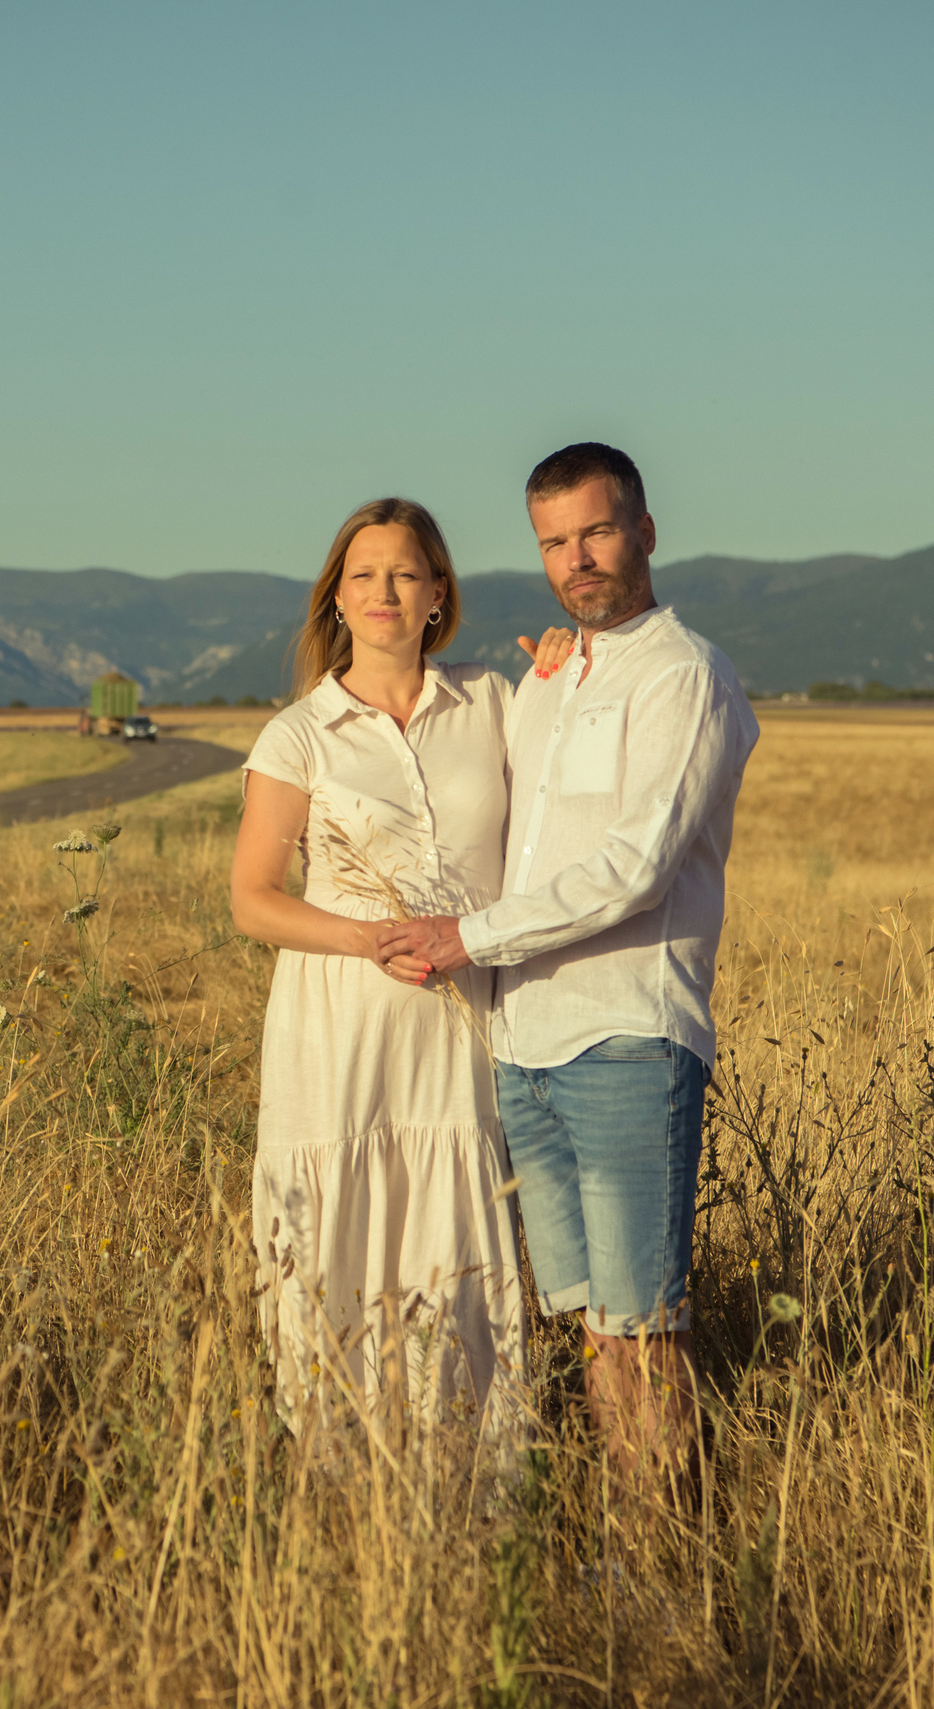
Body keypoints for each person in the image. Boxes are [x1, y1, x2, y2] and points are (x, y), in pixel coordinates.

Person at [376, 443, 759, 1486]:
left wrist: (468, 939)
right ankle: (628, 1562)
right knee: (593, 1326)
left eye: (594, 531)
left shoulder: (684, 676)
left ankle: (663, 1578)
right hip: (527, 1047)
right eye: (553, 541)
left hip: (626, 1035)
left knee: (645, 1325)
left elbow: (632, 868)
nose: (576, 559)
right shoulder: (548, 682)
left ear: (642, 529)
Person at [230, 496, 571, 1439]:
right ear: (336, 598)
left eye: (406, 573)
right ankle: (344, 1479)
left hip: (459, 1027)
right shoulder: (300, 734)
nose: (385, 591)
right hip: (339, 1025)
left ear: (438, 593)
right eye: (364, 574)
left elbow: (569, 767)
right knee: (340, 1236)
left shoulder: (494, 702)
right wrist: (362, 938)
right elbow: (251, 896)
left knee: (456, 1231)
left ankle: (469, 1470)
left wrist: (559, 675)